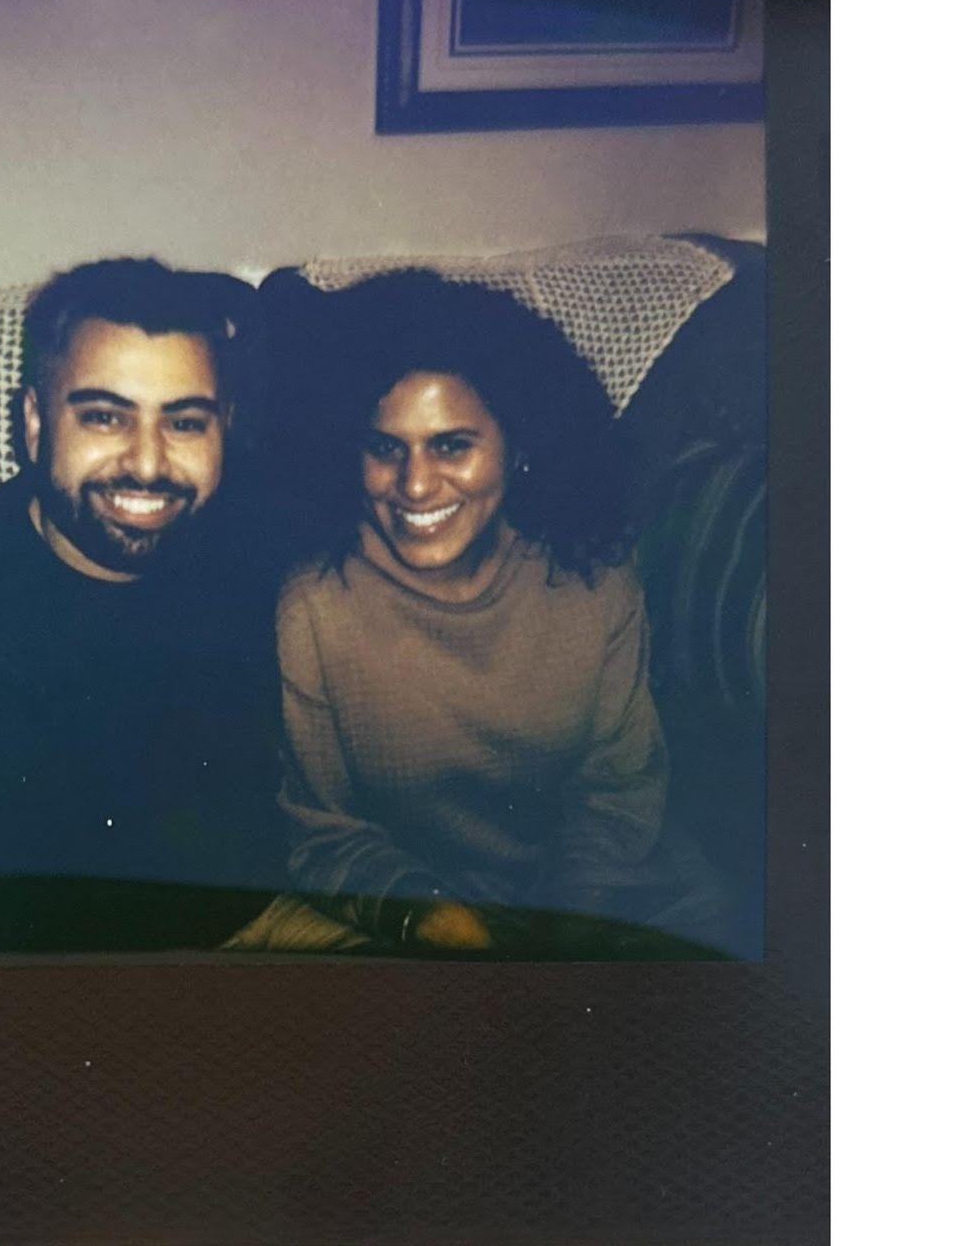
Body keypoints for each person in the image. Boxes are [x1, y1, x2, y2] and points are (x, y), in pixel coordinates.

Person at [244, 270, 731, 959]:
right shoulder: (313, 609)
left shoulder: (595, 579)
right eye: (385, 448)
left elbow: (618, 793)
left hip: (617, 901)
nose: (415, 485)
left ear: (519, 447)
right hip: (422, 920)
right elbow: (324, 834)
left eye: (451, 445)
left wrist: (567, 931)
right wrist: (444, 926)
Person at [0, 258, 285, 954]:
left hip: (277, 921)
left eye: (184, 423)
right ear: (34, 423)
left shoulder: (243, 540)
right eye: (105, 418)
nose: (147, 464)